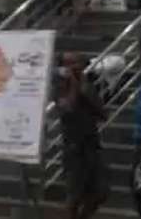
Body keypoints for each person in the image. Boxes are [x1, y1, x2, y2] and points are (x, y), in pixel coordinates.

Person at [58, 52, 109, 219]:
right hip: (74, 148)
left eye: (76, 63)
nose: (74, 67)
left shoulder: (87, 86)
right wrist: (74, 85)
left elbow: (103, 114)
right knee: (74, 195)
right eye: (69, 64)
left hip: (92, 145)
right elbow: (68, 108)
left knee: (100, 192)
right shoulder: (60, 87)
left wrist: (85, 88)